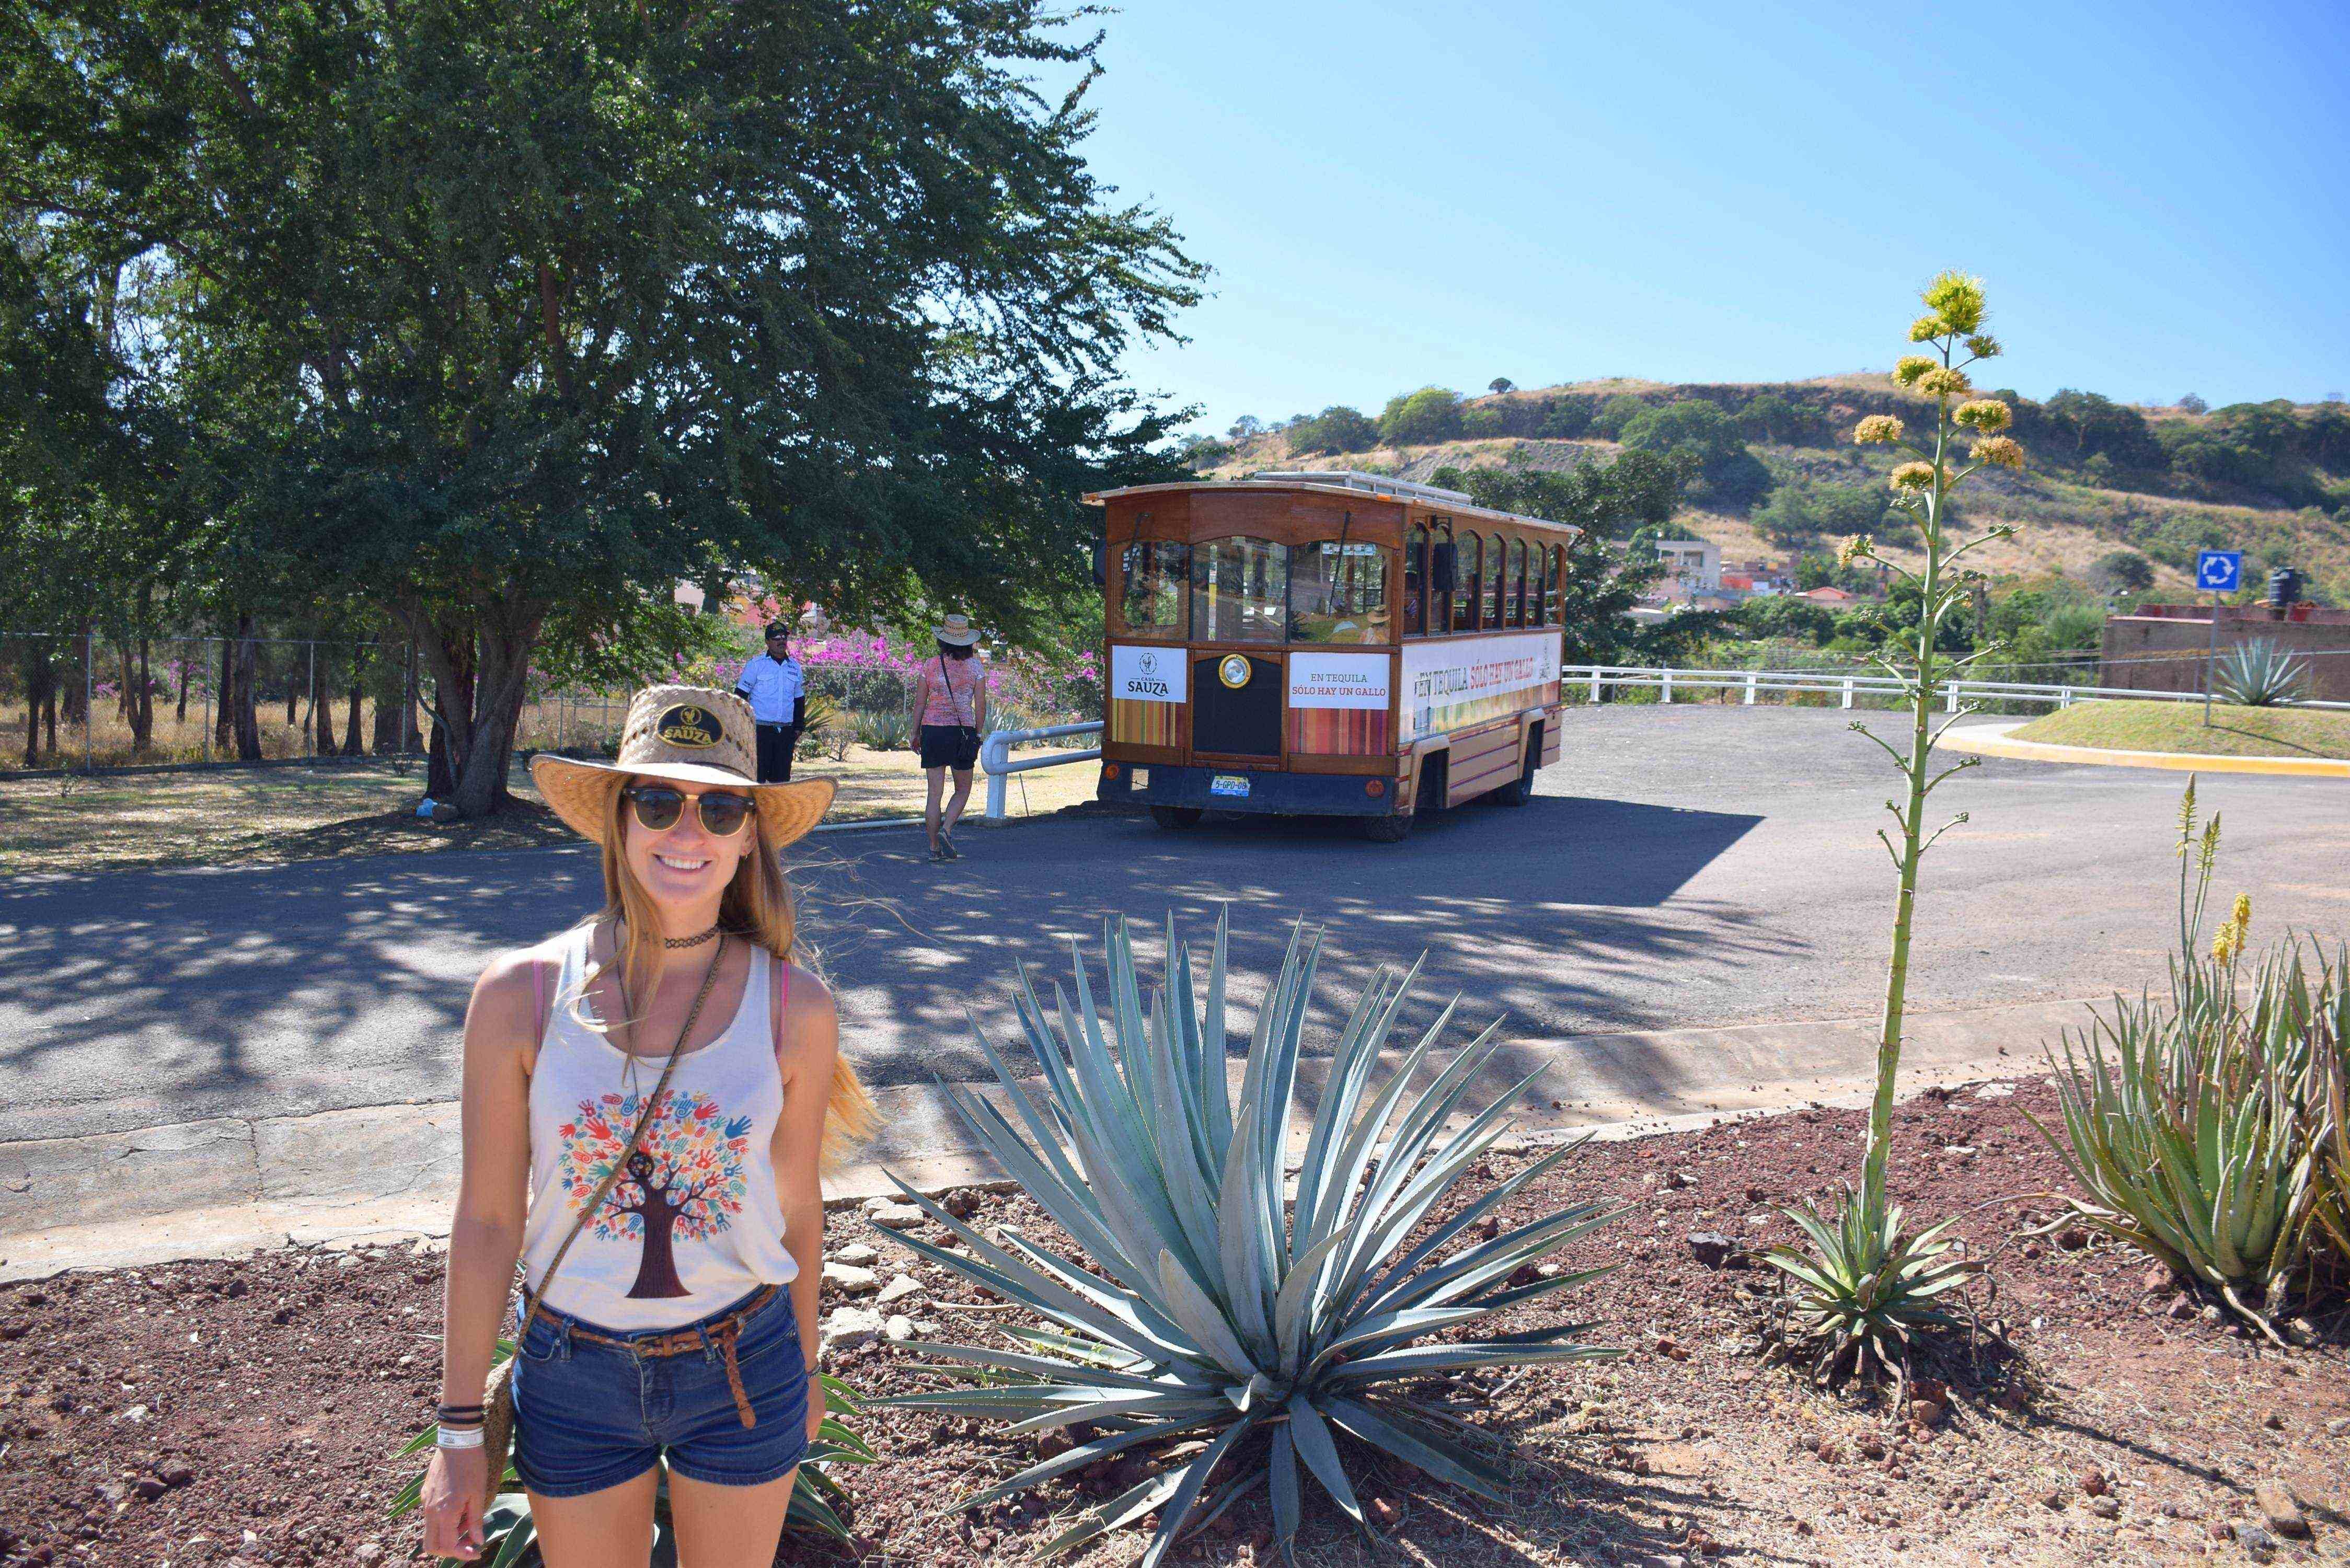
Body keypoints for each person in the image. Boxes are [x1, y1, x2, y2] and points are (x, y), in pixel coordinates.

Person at [419, 686, 873, 1567]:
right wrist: (458, 1430)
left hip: (745, 1366)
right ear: (620, 821)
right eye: (659, 802)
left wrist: (809, 1365)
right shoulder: (516, 997)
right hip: (570, 1372)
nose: (688, 831)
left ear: (749, 835)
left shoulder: (797, 1010)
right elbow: (485, 1220)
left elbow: (798, 1210)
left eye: (721, 807)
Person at [908, 613, 989, 862]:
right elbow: (981, 704)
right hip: (962, 732)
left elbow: (920, 702)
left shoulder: (930, 665)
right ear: (968, 642)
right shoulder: (976, 667)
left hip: (933, 730)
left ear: (943, 641)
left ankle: (934, 848)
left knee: (934, 794)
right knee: (963, 788)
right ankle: (947, 829)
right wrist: (978, 731)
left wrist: (915, 732)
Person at [732, 625, 806, 783]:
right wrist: (743, 726)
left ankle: (775, 809)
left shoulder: (795, 667)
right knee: (756, 779)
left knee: (781, 781)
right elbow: (740, 697)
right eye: (776, 638)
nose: (781, 641)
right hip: (760, 731)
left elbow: (799, 699)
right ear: (767, 642)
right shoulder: (756, 665)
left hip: (785, 732)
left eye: (784, 637)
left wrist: (798, 728)